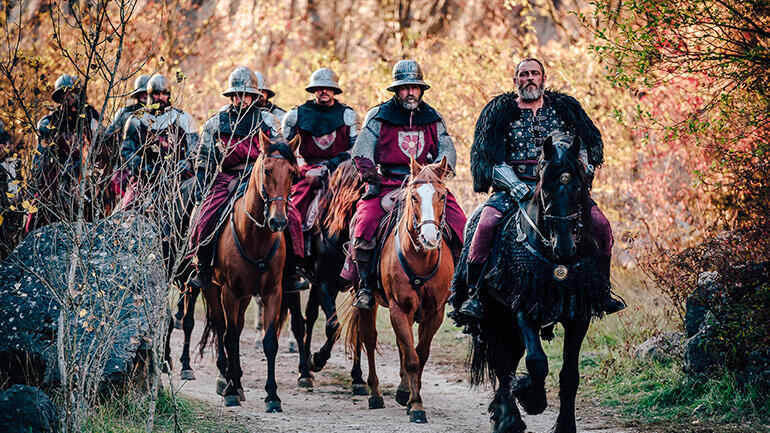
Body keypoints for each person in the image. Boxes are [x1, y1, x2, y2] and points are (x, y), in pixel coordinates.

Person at [457, 58, 625, 319]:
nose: (530, 78)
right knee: (485, 224)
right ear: (515, 81)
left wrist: (579, 176)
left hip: (561, 190)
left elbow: (587, 149)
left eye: (535, 73)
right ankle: (473, 295)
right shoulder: (499, 112)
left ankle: (601, 291)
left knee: (600, 224)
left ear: (544, 79)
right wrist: (513, 185)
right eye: (524, 74)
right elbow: (488, 159)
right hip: (514, 187)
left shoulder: (566, 109)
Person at [349, 59, 467, 309]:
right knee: (365, 223)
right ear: (396, 90)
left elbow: (447, 151)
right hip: (390, 182)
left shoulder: (432, 117)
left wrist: (435, 173)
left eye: (414, 87)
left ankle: (459, 285)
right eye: (405, 88)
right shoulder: (379, 116)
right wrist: (372, 176)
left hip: (427, 182)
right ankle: (367, 287)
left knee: (461, 224)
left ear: (421, 89)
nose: (410, 92)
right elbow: (361, 152)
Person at [187, 66, 306, 292]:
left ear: (255, 95)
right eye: (238, 94)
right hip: (227, 177)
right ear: (232, 95)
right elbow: (204, 158)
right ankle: (202, 268)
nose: (242, 99)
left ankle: (292, 270)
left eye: (247, 94)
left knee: (293, 216)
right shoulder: (217, 122)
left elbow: (280, 153)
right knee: (205, 215)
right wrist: (202, 188)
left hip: (263, 177)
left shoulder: (268, 120)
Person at [282, 67, 358, 237]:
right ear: (313, 89)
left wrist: (331, 165)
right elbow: (284, 150)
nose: (324, 91)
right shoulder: (296, 115)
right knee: (293, 209)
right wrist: (298, 168)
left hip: (341, 173)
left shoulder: (348, 115)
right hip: (308, 171)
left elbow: (357, 149)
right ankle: (296, 253)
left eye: (328, 87)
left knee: (357, 209)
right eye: (320, 87)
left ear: (334, 90)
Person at [27, 73, 100, 231]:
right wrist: (37, 180)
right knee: (35, 213)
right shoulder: (50, 121)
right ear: (59, 97)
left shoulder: (88, 115)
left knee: (102, 199)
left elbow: (98, 143)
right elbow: (40, 157)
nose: (68, 98)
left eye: (72, 93)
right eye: (64, 94)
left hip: (82, 171)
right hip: (57, 172)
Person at [120, 73, 198, 190]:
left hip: (180, 179)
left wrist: (185, 164)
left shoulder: (183, 118)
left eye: (164, 93)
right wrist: (140, 168)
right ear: (150, 94)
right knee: (128, 206)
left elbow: (195, 148)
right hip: (145, 181)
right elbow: (126, 151)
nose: (161, 97)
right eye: (157, 93)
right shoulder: (136, 120)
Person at [106, 74, 150, 205]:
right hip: (125, 162)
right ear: (137, 95)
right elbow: (109, 136)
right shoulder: (125, 113)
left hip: (152, 162)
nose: (145, 96)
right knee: (115, 188)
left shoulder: (162, 116)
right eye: (143, 93)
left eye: (148, 93)